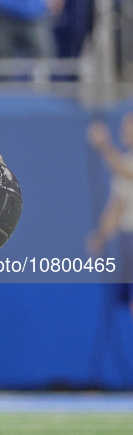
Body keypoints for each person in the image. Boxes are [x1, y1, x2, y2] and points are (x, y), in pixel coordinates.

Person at [88, 115, 133, 301]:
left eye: (128, 125)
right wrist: (101, 236)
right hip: (127, 239)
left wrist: (103, 145)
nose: (123, 130)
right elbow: (118, 205)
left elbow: (126, 172)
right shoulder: (125, 159)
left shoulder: (121, 164)